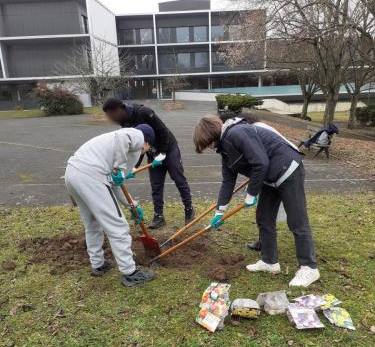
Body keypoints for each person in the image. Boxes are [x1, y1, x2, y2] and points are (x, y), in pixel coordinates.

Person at [193, 115, 320, 288]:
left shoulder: (237, 133)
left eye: (206, 143)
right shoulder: (224, 149)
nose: (208, 147)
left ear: (210, 134)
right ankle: (269, 262)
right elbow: (228, 181)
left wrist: (251, 193)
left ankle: (309, 267)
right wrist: (220, 211)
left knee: (297, 221)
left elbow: (260, 162)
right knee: (264, 218)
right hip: (269, 178)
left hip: (288, 169)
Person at [64, 124, 156, 287]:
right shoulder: (138, 135)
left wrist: (132, 205)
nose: (144, 151)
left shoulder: (112, 148)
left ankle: (98, 264)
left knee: (92, 223)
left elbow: (115, 184)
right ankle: (130, 273)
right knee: (118, 226)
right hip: (90, 175)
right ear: (147, 143)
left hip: (73, 173)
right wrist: (120, 168)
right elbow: (123, 137)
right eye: (147, 149)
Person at [102, 98, 194, 229]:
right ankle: (159, 216)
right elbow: (135, 147)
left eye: (111, 115)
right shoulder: (125, 123)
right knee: (156, 185)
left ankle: (189, 210)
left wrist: (162, 153)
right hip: (151, 152)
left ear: (118, 109)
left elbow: (163, 131)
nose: (112, 119)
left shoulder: (144, 112)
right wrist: (134, 167)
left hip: (168, 149)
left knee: (179, 179)